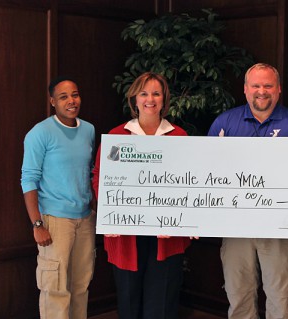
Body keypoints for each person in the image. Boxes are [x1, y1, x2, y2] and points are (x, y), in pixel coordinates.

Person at [208, 63, 288, 319]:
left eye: (268, 85)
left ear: (278, 89)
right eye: (255, 85)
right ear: (245, 90)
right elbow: (207, 173)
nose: (262, 91)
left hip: (281, 227)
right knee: (238, 296)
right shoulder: (224, 123)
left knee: (282, 298)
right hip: (235, 227)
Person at [92, 72, 191, 319]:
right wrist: (109, 213)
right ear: (134, 99)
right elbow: (99, 177)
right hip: (126, 234)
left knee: (163, 303)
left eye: (156, 93)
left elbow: (191, 182)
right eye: (144, 93)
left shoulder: (180, 137)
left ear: (164, 99)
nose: (150, 99)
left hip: (167, 235)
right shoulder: (116, 136)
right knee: (129, 301)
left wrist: (186, 218)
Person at [21, 76, 96, 319]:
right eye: (63, 97)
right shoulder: (40, 133)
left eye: (75, 94)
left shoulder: (88, 130)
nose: (71, 101)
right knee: (55, 289)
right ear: (53, 101)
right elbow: (28, 179)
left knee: (80, 287)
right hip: (55, 221)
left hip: (85, 220)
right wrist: (37, 224)